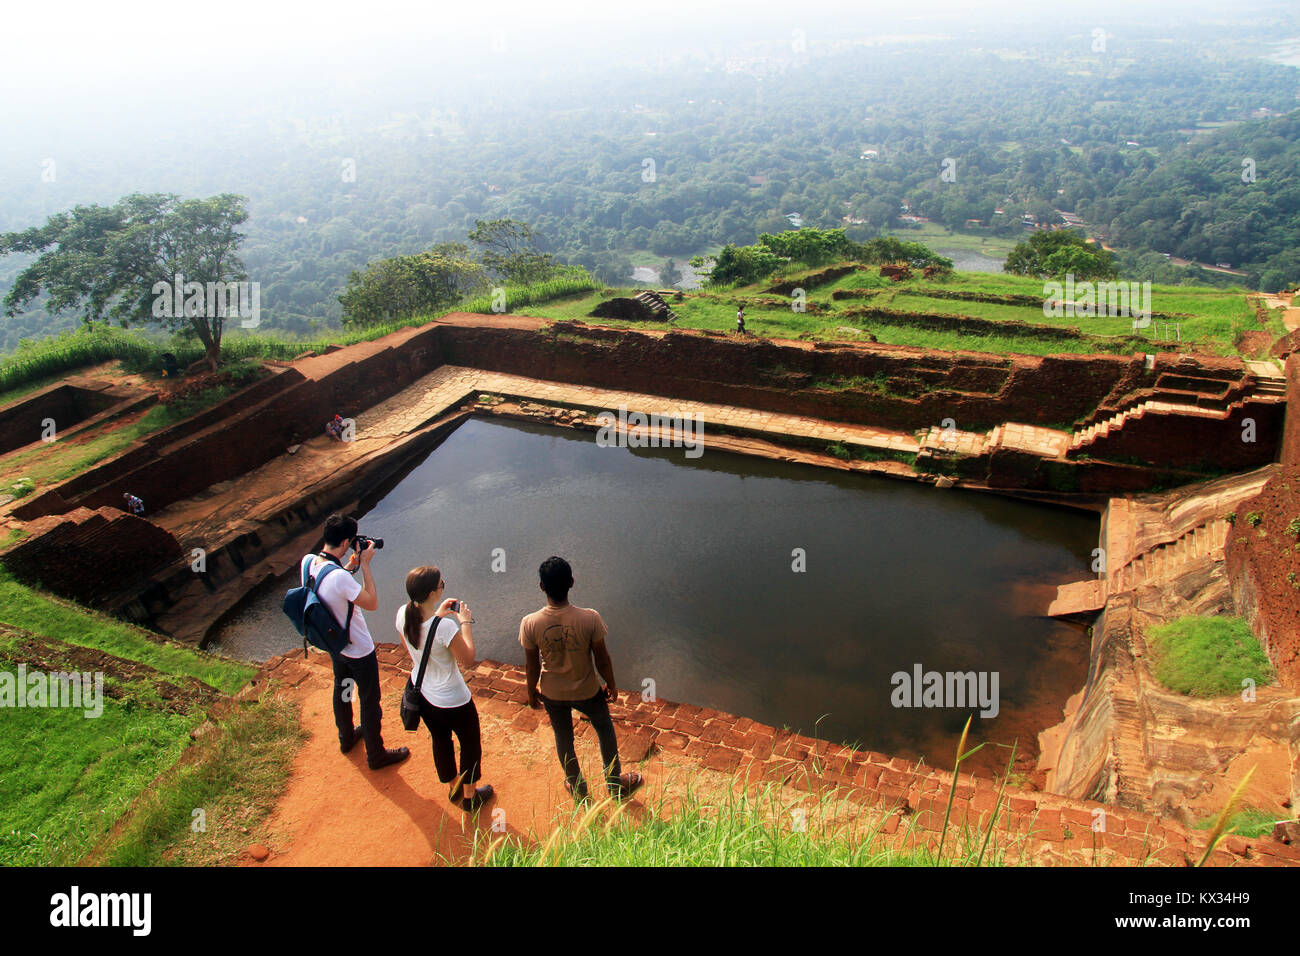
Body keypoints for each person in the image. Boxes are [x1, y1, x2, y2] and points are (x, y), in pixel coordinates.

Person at [520, 556, 644, 801]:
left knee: (563, 737)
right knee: (605, 731)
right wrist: (611, 683)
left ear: (542, 586)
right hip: (587, 690)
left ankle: (578, 788)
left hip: (553, 693)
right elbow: (602, 658)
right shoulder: (590, 618)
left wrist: (531, 689)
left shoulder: (530, 623)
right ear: (572, 582)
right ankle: (614, 784)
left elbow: (531, 665)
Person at [304, 514, 409, 770]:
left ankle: (347, 737)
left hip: (334, 643)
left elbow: (332, 584)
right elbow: (371, 603)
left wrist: (349, 565)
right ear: (346, 542)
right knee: (369, 699)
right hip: (359, 650)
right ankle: (376, 754)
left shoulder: (308, 562)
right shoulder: (340, 578)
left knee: (342, 689)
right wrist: (365, 566)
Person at [397, 566, 493, 813]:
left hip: (425, 696)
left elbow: (417, 647)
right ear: (432, 593)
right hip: (453, 700)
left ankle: (454, 787)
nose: (443, 587)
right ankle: (471, 796)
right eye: (441, 585)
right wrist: (465, 622)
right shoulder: (444, 628)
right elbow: (468, 659)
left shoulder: (402, 614)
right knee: (470, 744)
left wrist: (437, 614)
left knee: (441, 741)